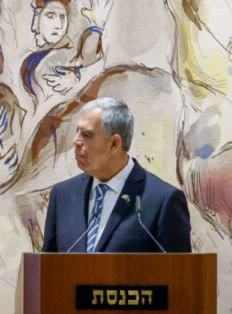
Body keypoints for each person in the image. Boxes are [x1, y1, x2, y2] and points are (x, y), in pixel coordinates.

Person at [41, 97, 190, 253]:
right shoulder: (62, 195)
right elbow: (48, 263)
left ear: (114, 143)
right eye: (77, 132)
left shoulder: (163, 200)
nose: (75, 141)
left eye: (86, 134)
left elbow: (177, 267)